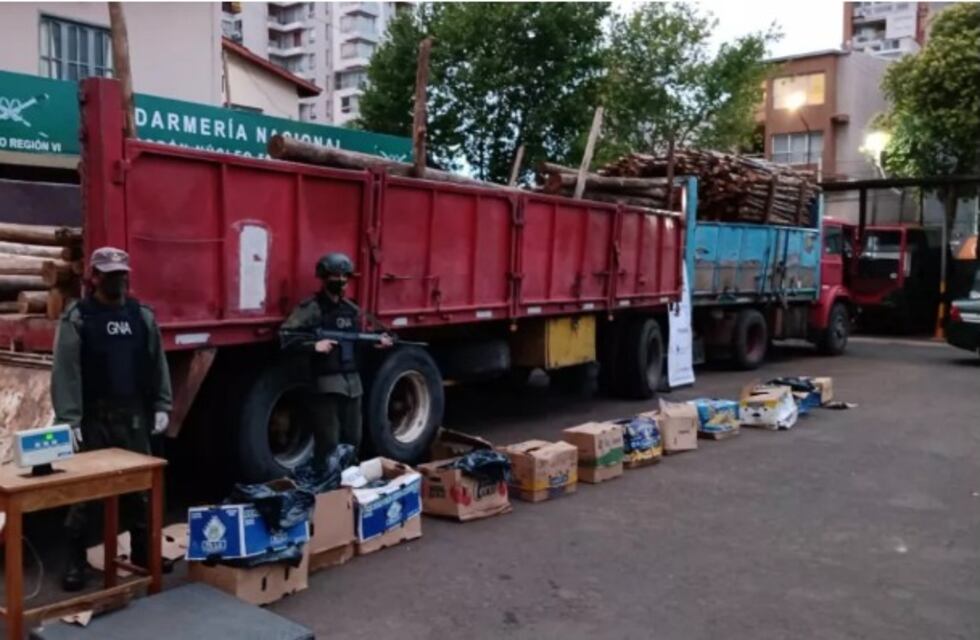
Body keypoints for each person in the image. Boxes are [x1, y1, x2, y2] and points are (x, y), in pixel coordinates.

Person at [51, 246, 172, 592]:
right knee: (84, 494)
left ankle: (142, 556)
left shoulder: (141, 316)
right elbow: (66, 372)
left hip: (133, 417)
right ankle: (74, 563)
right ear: (94, 276)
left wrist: (162, 406)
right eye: (109, 273)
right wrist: (69, 420)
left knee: (142, 493)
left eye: (121, 273)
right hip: (94, 419)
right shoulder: (78, 317)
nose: (117, 279)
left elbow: (157, 362)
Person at [279, 252, 391, 471]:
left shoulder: (350, 309)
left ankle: (348, 483)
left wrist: (376, 343)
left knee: (353, 439)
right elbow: (286, 335)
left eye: (344, 276)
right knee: (328, 441)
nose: (340, 281)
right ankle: (326, 485)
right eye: (335, 276)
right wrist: (314, 346)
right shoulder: (312, 307)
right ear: (323, 277)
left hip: (352, 382)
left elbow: (356, 338)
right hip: (326, 383)